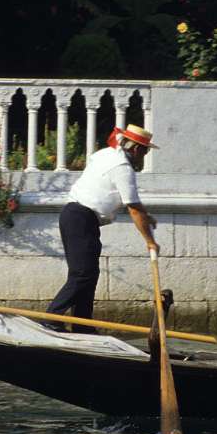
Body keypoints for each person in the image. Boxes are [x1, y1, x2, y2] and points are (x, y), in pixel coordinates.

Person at [45, 124, 160, 334]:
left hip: (75, 216)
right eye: (144, 151)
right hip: (81, 218)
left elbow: (127, 201)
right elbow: (133, 208)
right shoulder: (122, 168)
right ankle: (51, 318)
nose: (144, 156)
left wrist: (146, 215)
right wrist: (150, 241)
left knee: (88, 273)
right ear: (135, 149)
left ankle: (83, 325)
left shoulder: (105, 154)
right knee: (83, 274)